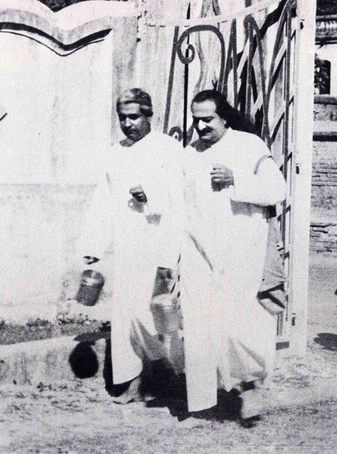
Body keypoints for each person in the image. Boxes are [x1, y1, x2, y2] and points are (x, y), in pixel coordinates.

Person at [179, 90, 286, 422]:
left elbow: (277, 191)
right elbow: (177, 201)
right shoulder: (189, 154)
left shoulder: (249, 146)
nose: (200, 126)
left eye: (208, 119)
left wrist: (236, 179)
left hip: (240, 255)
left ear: (224, 117)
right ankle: (201, 404)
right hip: (198, 254)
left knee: (235, 329)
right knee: (197, 328)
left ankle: (239, 382)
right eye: (196, 120)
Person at [78, 88, 185, 403]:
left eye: (134, 116)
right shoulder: (115, 152)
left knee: (159, 315)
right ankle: (133, 379)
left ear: (149, 115)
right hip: (128, 247)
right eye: (122, 118)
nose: (128, 123)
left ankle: (167, 377)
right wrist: (94, 245)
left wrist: (150, 196)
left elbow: (181, 199)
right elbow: (103, 202)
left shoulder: (168, 149)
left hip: (160, 242)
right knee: (127, 314)